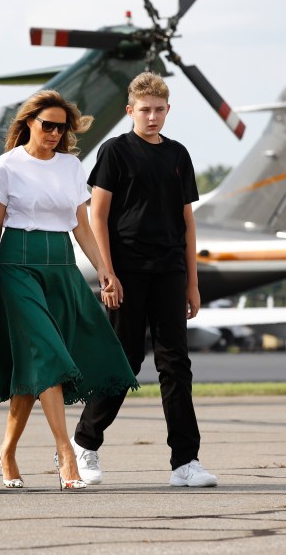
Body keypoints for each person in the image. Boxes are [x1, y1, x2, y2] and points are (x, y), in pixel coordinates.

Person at [0, 90, 139, 491]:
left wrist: (105, 270)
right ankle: (66, 454)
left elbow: (80, 225)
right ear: (29, 122)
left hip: (62, 267)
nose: (53, 133)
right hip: (18, 267)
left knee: (37, 370)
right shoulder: (7, 166)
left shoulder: (71, 166)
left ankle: (7, 450)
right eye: (46, 125)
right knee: (49, 355)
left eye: (60, 127)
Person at [70, 72, 218, 488]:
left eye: (159, 110)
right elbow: (96, 215)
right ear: (130, 110)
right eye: (144, 110)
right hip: (126, 270)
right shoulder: (115, 151)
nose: (152, 117)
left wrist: (192, 282)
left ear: (167, 111)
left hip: (170, 269)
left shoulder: (178, 155)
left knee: (176, 365)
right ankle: (85, 442)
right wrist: (107, 272)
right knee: (126, 360)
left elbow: (188, 222)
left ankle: (185, 462)